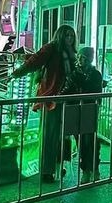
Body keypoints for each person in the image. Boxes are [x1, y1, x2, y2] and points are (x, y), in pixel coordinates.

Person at [13, 25, 77, 184]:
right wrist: (18, 72)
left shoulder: (71, 53)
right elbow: (34, 61)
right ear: (60, 36)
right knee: (50, 135)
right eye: (67, 35)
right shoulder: (51, 48)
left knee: (64, 136)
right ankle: (47, 170)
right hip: (52, 97)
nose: (69, 38)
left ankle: (57, 166)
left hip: (66, 98)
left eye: (71, 36)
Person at [72, 46, 105, 183]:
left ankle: (94, 168)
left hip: (89, 109)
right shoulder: (74, 72)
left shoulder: (95, 74)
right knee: (80, 141)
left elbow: (93, 90)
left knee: (90, 140)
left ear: (89, 59)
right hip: (76, 110)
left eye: (83, 57)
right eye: (79, 57)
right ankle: (85, 170)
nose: (80, 60)